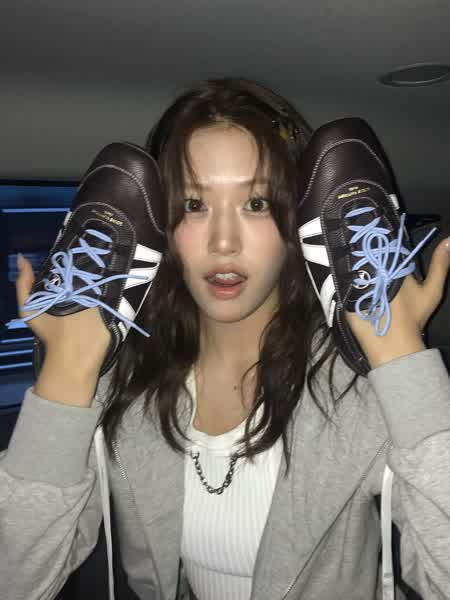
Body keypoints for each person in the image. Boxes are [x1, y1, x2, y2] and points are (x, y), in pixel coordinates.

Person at [1, 77, 450, 600]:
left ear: (299, 225)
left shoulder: (364, 387)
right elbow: (17, 581)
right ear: (161, 230)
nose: (223, 242)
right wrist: (67, 369)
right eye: (193, 204)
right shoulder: (118, 379)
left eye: (257, 203)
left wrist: (398, 350)